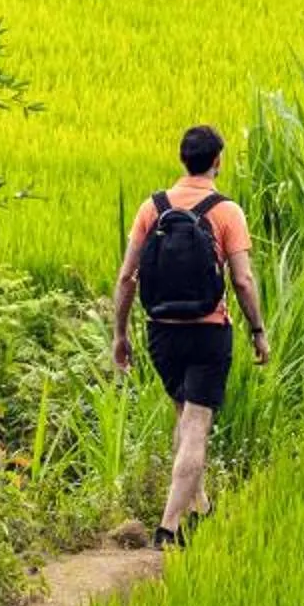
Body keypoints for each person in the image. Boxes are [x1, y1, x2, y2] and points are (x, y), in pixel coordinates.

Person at [111, 124, 268, 548]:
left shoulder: (152, 208)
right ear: (217, 161)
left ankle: (200, 505)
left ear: (183, 159)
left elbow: (127, 277)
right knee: (197, 425)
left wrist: (120, 335)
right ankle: (169, 526)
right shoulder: (226, 211)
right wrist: (258, 331)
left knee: (184, 416)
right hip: (208, 332)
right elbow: (243, 279)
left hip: (161, 332)